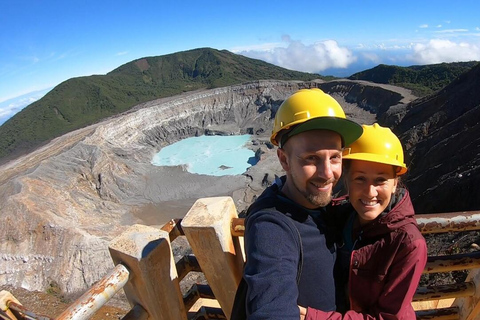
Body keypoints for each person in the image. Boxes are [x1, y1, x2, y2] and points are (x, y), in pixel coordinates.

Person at [240, 88, 363, 319]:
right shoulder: (271, 227)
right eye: (311, 158)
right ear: (284, 160)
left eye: (335, 157)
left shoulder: (320, 205)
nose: (327, 174)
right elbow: (271, 307)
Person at [301, 123, 428, 320]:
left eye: (380, 180)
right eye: (360, 179)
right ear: (347, 181)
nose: (370, 192)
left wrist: (313, 317)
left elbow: (388, 317)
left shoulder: (408, 244)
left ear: (395, 183)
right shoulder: (339, 216)